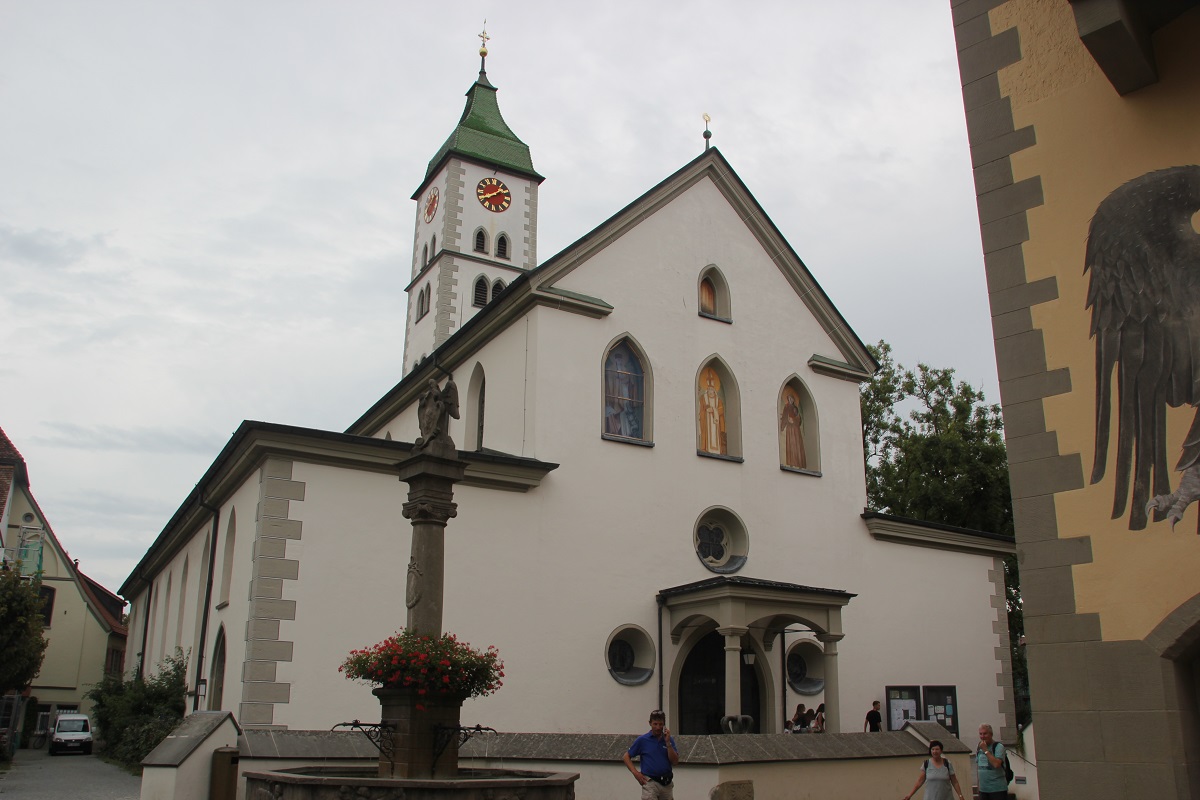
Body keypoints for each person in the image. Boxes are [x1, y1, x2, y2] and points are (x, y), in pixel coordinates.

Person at [623, 710, 679, 799]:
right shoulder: (642, 740)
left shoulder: (669, 739)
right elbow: (626, 757)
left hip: (666, 783)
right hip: (650, 782)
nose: (658, 727)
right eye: (655, 724)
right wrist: (636, 773)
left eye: (660, 724)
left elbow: (675, 761)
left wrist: (668, 743)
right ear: (650, 723)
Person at [975, 723, 1007, 800]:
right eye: (980, 734)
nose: (982, 736)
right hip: (983, 789)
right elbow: (978, 766)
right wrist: (978, 785)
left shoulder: (998, 747)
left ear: (991, 734)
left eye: (985, 734)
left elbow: (996, 764)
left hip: (997, 789)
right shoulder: (979, 747)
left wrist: (985, 750)